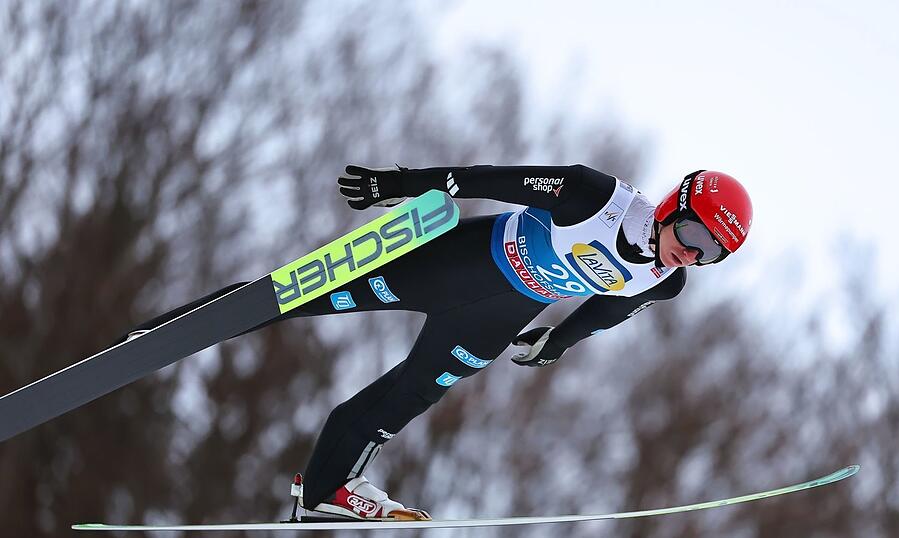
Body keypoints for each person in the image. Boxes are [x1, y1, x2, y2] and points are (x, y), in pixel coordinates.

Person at [122, 164, 753, 521]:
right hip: (459, 263)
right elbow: (490, 179)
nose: (692, 254)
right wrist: (399, 188)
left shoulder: (665, 282)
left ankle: (323, 489)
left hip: (494, 319)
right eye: (695, 234)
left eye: (711, 255)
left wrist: (556, 342)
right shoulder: (594, 198)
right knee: (299, 295)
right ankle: (165, 331)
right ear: (677, 203)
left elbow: (608, 311)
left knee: (408, 397)